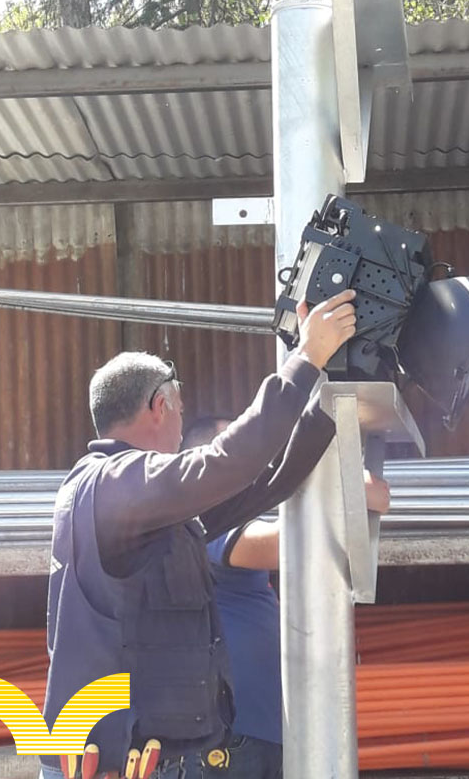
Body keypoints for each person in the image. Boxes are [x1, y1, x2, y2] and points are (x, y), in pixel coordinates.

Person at [40, 291, 357, 779]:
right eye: (181, 411)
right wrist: (305, 358)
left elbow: (262, 483)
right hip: (117, 763)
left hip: (144, 758)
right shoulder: (113, 484)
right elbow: (227, 462)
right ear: (160, 405)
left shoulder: (140, 502)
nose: (182, 425)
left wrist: (327, 397)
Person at [180, 417, 390, 779]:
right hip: (232, 739)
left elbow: (376, 495)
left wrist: (334, 485)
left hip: (262, 733)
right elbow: (289, 544)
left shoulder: (230, 514)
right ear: (208, 459)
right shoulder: (204, 517)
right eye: (236, 447)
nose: (253, 457)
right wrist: (329, 481)